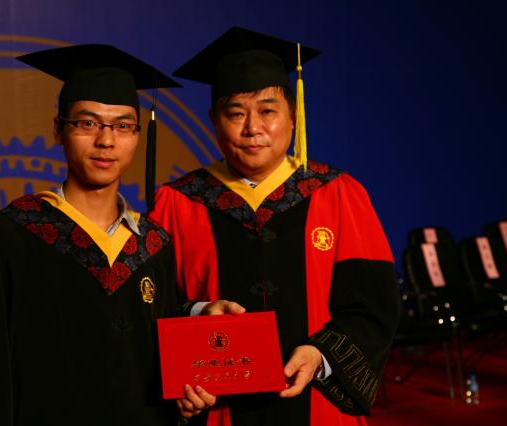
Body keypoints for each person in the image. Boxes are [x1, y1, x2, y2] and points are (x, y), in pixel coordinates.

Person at [150, 27, 400, 426]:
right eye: (235, 113)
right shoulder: (178, 203)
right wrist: (195, 323)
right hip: (216, 410)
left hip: (317, 404)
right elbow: (155, 308)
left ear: (293, 115)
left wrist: (321, 356)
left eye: (268, 111)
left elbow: (374, 306)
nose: (252, 128)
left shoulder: (338, 194)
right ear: (214, 120)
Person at [0, 44, 185, 425]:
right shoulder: (11, 234)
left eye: (123, 126)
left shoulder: (153, 245)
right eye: (87, 123)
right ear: (59, 129)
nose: (106, 141)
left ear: (138, 135)